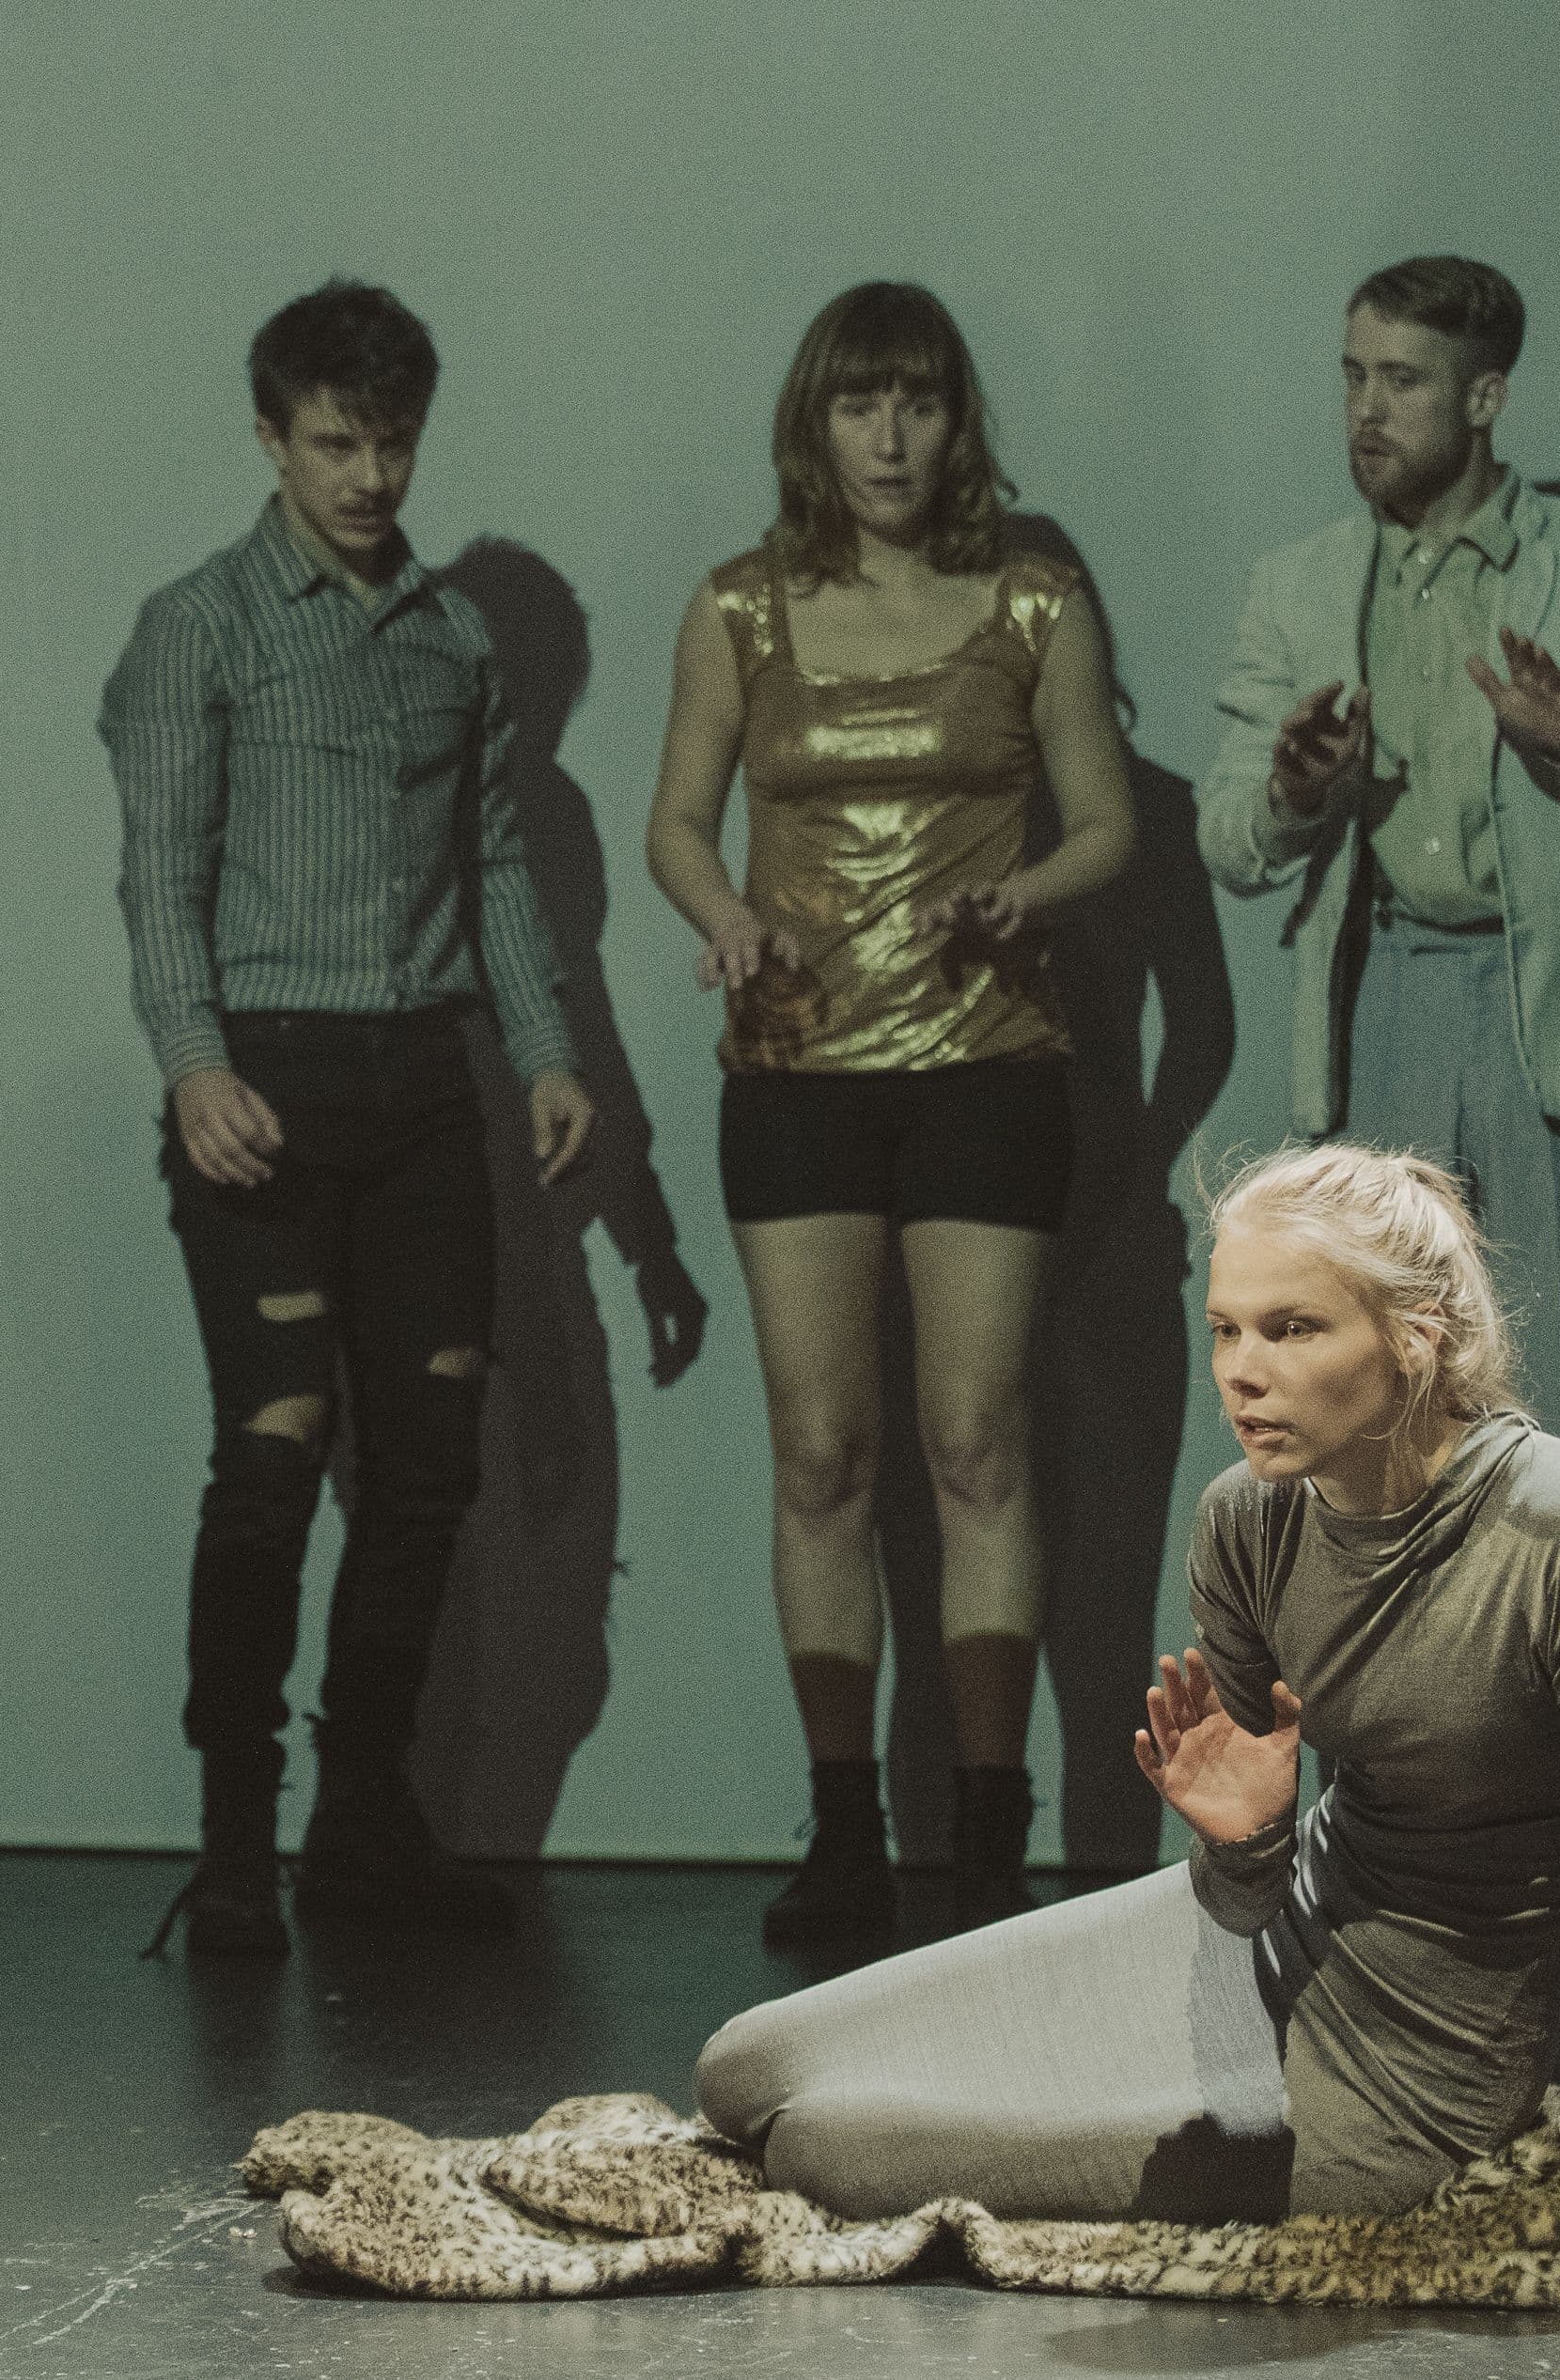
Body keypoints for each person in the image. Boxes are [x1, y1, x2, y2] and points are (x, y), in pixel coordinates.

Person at [694, 1143, 1560, 2286]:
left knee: (824, 2149)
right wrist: (1248, 1843)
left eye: (1291, 1329)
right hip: (1260, 1941)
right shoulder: (1246, 1518)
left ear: (1414, 1338)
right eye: (1224, 1329)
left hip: (1408, 2081)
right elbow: (1237, 1901)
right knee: (743, 2068)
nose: (1240, 1373)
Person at [102, 280, 594, 1958]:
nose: (370, 476)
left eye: (393, 443)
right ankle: (235, 1840)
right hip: (265, 1085)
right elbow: (159, 873)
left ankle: (362, 1821)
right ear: (271, 436)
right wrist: (195, 1065)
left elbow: (499, 866)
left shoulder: (454, 641)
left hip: (424, 1087)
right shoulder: (201, 627)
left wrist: (546, 1052)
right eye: (335, 443)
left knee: (430, 1463)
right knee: (274, 1452)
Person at [644, 284, 1136, 1942]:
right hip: (797, 1074)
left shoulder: (1036, 599)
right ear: (817, 421)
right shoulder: (739, 607)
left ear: (956, 420)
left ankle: (991, 1839)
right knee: (820, 1452)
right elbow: (675, 821)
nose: (891, 439)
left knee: (977, 1439)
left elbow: (1106, 824)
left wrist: (1023, 899)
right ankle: (847, 1827)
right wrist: (727, 918)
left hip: (988, 1065)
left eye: (919, 403)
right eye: (861, 406)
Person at [1193, 257, 1560, 1457]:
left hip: (1554, 1012)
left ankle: (1546, 1598)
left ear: (1484, 398)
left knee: (1553, 1415)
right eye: (1352, 377)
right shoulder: (1297, 586)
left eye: (1402, 382)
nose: (1365, 412)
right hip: (1378, 1001)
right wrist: (1292, 793)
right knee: (1369, 1411)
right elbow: (1226, 839)